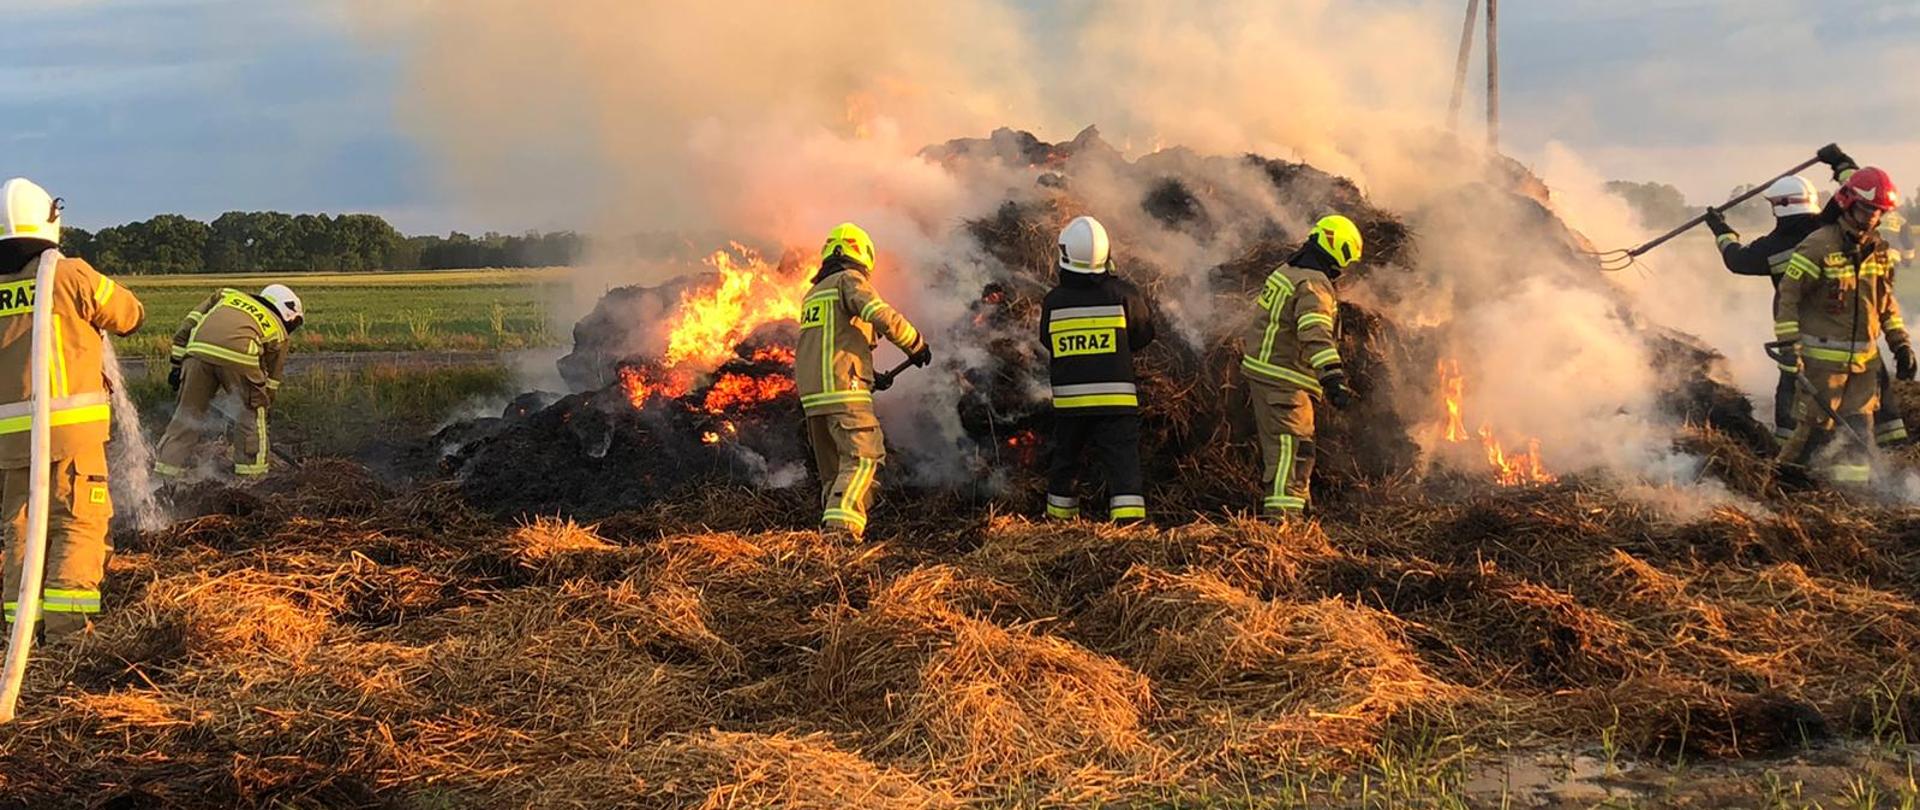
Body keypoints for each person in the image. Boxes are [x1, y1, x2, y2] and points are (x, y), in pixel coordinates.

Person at [0, 178, 145, 638]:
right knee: (78, 524)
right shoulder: (70, 275)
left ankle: (23, 633)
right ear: (50, 219)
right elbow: (129, 315)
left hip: (10, 442)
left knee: (22, 531)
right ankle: (68, 637)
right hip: (70, 435)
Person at [1707, 147, 1909, 448]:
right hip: (1855, 333)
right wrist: (1840, 162)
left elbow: (1737, 259)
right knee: (1874, 391)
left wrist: (1721, 230)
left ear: (1778, 208)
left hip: (1809, 340)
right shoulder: (1835, 224)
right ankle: (1894, 446)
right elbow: (1859, 186)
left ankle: (1789, 457)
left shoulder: (1773, 248)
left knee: (1793, 399)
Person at [1773, 166, 1913, 485]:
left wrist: (1900, 343)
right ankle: (1782, 486)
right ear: (1848, 202)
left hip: (1864, 368)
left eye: (1878, 212)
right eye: (1867, 209)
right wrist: (1788, 346)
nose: (1872, 217)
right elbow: (1788, 298)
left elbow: (1885, 305)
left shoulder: (1879, 251)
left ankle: (1851, 493)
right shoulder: (1818, 246)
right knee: (1812, 433)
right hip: (1822, 367)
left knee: (1859, 435)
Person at [794, 223, 929, 540]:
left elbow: (833, 345)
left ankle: (829, 534)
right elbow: (879, 314)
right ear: (862, 254)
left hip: (814, 398)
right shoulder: (849, 281)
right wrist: (915, 343)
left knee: (835, 472)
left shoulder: (814, 294)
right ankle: (841, 532)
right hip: (842, 391)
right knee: (863, 456)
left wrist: (869, 376)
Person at [1239, 215, 1360, 519]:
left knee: (1295, 448)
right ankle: (1283, 521)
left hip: (1271, 374)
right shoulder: (1313, 285)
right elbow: (1315, 334)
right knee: (1291, 453)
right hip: (1284, 380)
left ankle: (1296, 514)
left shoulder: (1289, 271)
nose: (1344, 268)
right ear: (1339, 250)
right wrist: (1333, 378)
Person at [1038, 216, 1156, 523]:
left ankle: (1059, 521)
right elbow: (1143, 335)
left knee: (1066, 460)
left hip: (1071, 404)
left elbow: (1047, 340)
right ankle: (1129, 523)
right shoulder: (1124, 295)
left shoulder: (1053, 301)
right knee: (1123, 462)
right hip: (1116, 402)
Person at [152, 284, 303, 480]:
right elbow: (271, 381)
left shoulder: (226, 295)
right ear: (288, 312)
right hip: (241, 356)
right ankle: (252, 480)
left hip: (197, 351)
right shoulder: (278, 331)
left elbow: (186, 327)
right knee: (250, 418)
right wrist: (262, 405)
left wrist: (176, 366)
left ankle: (163, 478)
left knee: (187, 415)